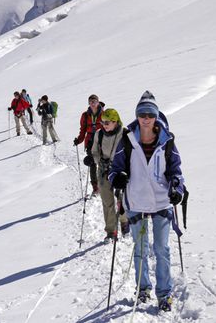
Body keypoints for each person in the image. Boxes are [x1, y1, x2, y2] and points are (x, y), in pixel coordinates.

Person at [108, 91, 184, 312]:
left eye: (150, 114)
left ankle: (164, 294)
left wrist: (176, 188)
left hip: (161, 202)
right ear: (137, 116)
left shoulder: (167, 141)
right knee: (140, 249)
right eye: (142, 114)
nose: (146, 118)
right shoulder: (127, 139)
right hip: (137, 201)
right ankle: (143, 289)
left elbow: (176, 171)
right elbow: (115, 169)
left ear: (156, 116)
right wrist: (118, 178)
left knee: (161, 249)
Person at [91, 108, 129, 241]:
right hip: (103, 169)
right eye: (103, 122)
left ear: (115, 121)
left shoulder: (125, 134)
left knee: (121, 200)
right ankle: (111, 231)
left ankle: (124, 221)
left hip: (119, 171)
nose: (104, 125)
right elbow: (95, 150)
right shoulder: (99, 134)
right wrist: (94, 159)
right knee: (107, 201)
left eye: (107, 122)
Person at [74, 94, 105, 196]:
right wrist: (79, 140)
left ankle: (103, 185)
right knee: (92, 164)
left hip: (102, 140)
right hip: (90, 141)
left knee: (102, 163)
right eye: (90, 102)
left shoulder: (104, 114)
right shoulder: (85, 115)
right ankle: (95, 187)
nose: (92, 103)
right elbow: (83, 130)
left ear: (98, 102)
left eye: (94, 101)